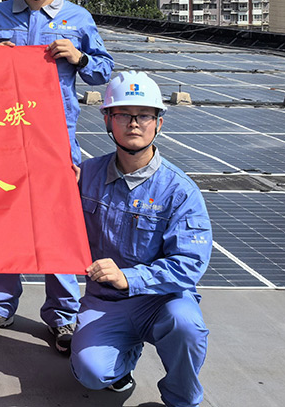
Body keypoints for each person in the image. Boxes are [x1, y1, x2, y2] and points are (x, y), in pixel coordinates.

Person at [0, 0, 114, 353]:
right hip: (4, 139)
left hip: (55, 141)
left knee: (58, 225)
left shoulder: (78, 19)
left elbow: (103, 72)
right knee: (2, 220)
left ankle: (63, 316)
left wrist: (80, 57)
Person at [72, 71, 211, 407]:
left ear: (158, 124)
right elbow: (49, 221)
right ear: (108, 121)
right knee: (91, 372)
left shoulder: (179, 190)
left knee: (186, 325)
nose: (134, 123)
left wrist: (129, 278)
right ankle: (123, 358)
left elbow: (190, 264)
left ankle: (182, 399)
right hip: (107, 301)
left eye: (144, 115)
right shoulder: (85, 176)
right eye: (123, 114)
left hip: (162, 300)